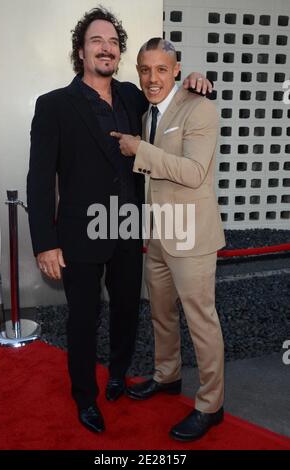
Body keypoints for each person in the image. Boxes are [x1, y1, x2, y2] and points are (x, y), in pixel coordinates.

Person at [27, 7, 212, 435]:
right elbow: (39, 179)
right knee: (84, 317)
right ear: (81, 51)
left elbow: (167, 94)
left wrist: (195, 80)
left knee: (128, 310)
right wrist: (44, 242)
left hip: (128, 225)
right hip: (79, 230)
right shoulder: (54, 105)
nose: (106, 48)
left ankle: (116, 375)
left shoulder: (132, 95)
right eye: (97, 41)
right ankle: (84, 397)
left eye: (112, 42)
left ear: (119, 51)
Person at [112, 38, 225, 442]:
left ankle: (211, 405)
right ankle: (168, 376)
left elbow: (194, 172)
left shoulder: (200, 107)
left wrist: (139, 149)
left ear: (177, 70)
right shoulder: (149, 112)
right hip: (160, 232)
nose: (152, 78)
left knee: (202, 322)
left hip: (192, 235)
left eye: (161, 69)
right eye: (145, 69)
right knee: (162, 312)